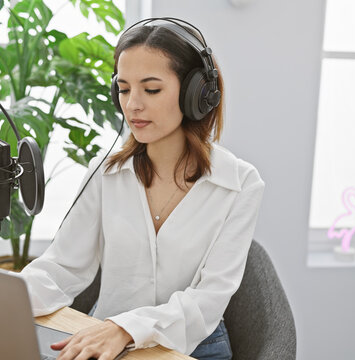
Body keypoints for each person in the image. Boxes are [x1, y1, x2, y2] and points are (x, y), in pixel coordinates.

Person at [19, 17, 265, 360]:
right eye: (123, 88)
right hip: (102, 335)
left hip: (191, 347)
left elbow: (207, 300)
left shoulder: (240, 184)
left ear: (197, 93)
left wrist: (126, 329)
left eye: (151, 89)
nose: (132, 104)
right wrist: (2, 301)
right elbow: (63, 268)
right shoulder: (105, 173)